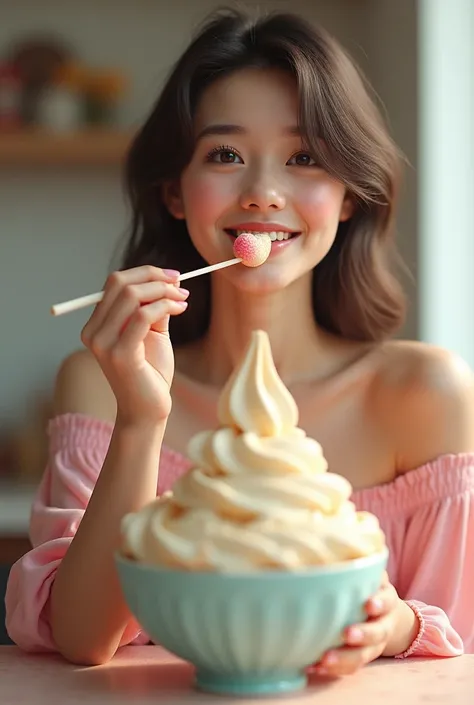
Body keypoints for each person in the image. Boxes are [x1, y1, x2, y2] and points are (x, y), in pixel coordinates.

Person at [6, 7, 474, 675]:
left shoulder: (425, 394)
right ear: (175, 191)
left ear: (347, 196)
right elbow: (83, 638)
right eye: (225, 154)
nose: (262, 193)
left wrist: (397, 625)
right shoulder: (100, 379)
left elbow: (460, 654)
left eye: (304, 156)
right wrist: (143, 417)